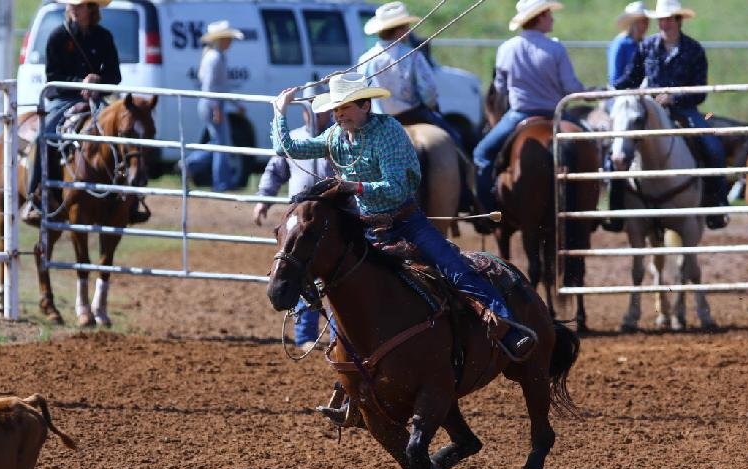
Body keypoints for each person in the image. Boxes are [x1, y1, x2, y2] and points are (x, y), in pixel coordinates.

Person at [272, 73, 536, 366]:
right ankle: (350, 362)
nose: (339, 114)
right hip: (366, 228)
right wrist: (280, 112)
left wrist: (355, 187)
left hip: (405, 223)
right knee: (343, 284)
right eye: (335, 108)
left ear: (365, 105)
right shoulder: (335, 136)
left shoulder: (388, 132)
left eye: (345, 107)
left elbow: (397, 186)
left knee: (452, 265)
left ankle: (506, 326)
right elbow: (288, 149)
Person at [613, 0, 728, 229]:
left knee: (713, 147)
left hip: (684, 110)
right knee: (616, 151)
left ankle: (716, 205)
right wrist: (610, 88)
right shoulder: (647, 47)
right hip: (647, 112)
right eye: (661, 20)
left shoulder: (693, 49)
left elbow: (700, 90)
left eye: (668, 19)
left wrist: (674, 98)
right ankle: (617, 211)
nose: (663, 24)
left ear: (678, 20)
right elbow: (630, 78)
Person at [358, 1, 475, 212]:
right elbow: (428, 91)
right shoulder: (413, 55)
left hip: (378, 120)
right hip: (415, 115)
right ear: (400, 30)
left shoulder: (366, 60)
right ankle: (467, 198)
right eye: (406, 27)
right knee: (456, 145)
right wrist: (432, 105)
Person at [472, 0, 585, 214]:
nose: (552, 18)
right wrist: (586, 91)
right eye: (549, 14)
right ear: (540, 17)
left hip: (520, 114)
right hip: (557, 114)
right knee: (591, 143)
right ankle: (591, 207)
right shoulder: (556, 48)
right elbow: (570, 87)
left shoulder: (506, 48)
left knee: (482, 154)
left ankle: (487, 211)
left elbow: (500, 88)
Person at [20, 0, 126, 224]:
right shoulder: (58, 36)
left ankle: (126, 195)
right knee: (43, 136)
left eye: (79, 6)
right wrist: (81, 83)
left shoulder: (104, 37)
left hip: (96, 99)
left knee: (120, 131)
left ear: (91, 9)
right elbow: (53, 78)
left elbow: (115, 76)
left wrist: (98, 81)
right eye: (71, 5)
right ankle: (35, 194)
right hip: (63, 99)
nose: (73, 9)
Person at [253, 82, 334, 352]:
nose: (315, 114)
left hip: (329, 218)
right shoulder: (297, 138)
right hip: (300, 220)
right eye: (311, 109)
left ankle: (339, 335)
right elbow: (275, 170)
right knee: (300, 273)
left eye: (321, 109)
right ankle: (304, 335)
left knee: (335, 276)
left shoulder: (337, 139)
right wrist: (264, 198)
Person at [602, 1, 650, 232]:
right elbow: (615, 77)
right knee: (616, 146)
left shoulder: (642, 44)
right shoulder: (621, 44)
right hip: (620, 97)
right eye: (641, 20)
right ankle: (615, 203)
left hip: (639, 97)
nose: (645, 24)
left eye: (646, 20)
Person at [184, 21, 244, 193]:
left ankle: (190, 165)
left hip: (213, 103)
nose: (230, 42)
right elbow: (211, 86)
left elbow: (219, 86)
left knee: (218, 142)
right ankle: (220, 181)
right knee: (220, 144)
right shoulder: (215, 57)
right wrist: (217, 108)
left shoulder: (215, 56)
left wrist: (234, 103)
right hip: (213, 104)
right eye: (228, 39)